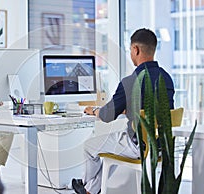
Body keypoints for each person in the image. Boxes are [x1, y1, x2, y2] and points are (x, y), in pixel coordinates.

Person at [71, 28, 175, 194]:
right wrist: (132, 110)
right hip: (162, 146)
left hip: (137, 145)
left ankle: (88, 190)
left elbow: (107, 115)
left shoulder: (130, 81)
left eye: (130, 50)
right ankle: (90, 189)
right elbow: (159, 111)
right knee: (110, 145)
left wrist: (95, 111)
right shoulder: (167, 78)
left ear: (136, 49)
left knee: (90, 146)